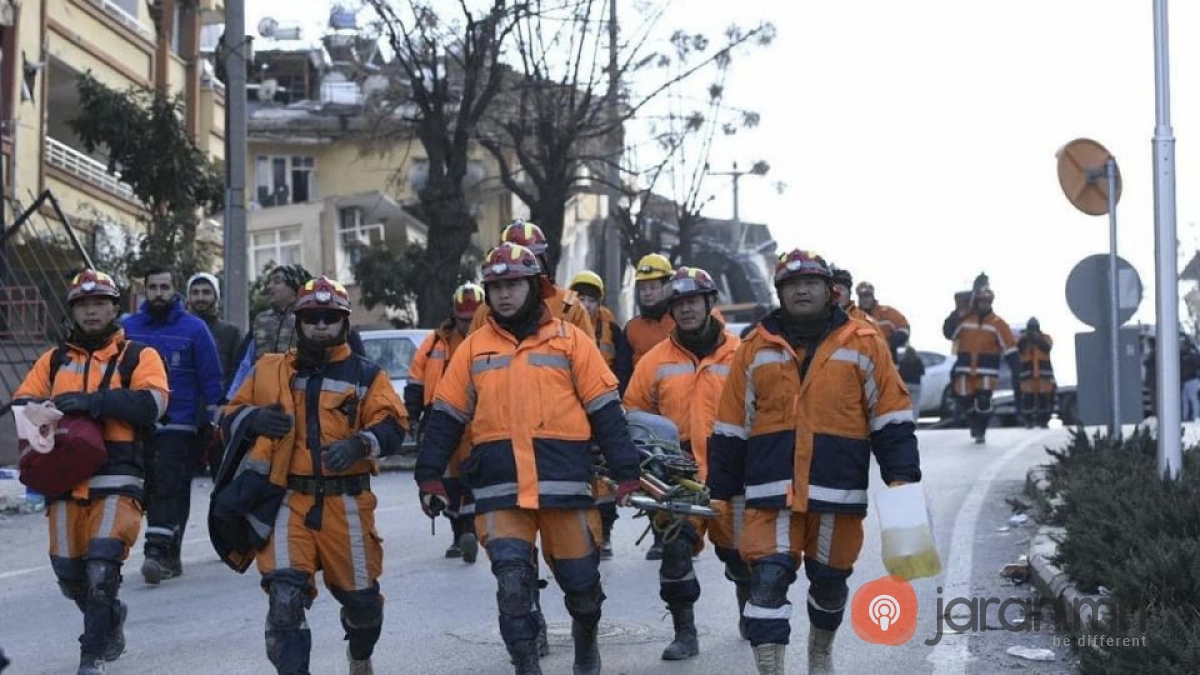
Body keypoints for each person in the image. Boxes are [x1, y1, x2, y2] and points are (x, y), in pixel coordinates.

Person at [415, 243, 641, 675]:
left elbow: (605, 410)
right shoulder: (474, 348)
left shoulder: (571, 340)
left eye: (513, 284)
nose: (503, 294)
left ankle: (585, 638)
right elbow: (445, 416)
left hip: (566, 486)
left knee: (582, 587)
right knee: (513, 587)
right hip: (500, 490)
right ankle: (525, 666)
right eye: (495, 286)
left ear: (535, 286)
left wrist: (626, 473)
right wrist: (429, 477)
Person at [707, 250, 921, 675]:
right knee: (766, 586)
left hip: (835, 492)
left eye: (811, 283)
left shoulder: (864, 342)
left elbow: (891, 418)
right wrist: (721, 495)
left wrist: (903, 481)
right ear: (780, 293)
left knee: (830, 584)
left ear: (830, 290)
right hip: (770, 495)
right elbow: (731, 427)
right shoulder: (754, 347)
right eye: (791, 284)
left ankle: (820, 655)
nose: (801, 289)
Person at [217, 276, 407, 675]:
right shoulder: (269, 370)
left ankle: (359, 654)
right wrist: (254, 419)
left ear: (344, 323)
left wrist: (360, 444)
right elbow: (228, 416)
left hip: (348, 506)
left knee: (364, 607)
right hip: (288, 501)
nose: (321, 324)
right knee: (284, 600)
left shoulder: (366, 375)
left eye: (330, 316)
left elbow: (394, 425)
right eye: (312, 317)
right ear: (299, 322)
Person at [13, 270, 169, 675]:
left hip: (119, 476)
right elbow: (23, 403)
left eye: (100, 303)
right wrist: (42, 409)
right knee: (70, 574)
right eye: (83, 305)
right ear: (73, 311)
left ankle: (91, 655)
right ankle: (110, 618)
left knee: (102, 567)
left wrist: (92, 402)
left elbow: (151, 406)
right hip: (64, 479)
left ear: (115, 308)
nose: (92, 310)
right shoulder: (54, 359)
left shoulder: (138, 356)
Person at [623, 266, 748, 661]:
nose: (687, 309)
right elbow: (634, 413)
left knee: (740, 554)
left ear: (710, 303)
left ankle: (749, 607)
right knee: (675, 555)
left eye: (694, 301)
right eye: (679, 303)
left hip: (734, 473)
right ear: (671, 310)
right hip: (676, 476)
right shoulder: (655, 360)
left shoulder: (743, 353)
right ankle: (685, 633)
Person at [122, 267, 224, 584]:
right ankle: (165, 551)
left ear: (174, 290)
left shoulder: (194, 329)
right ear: (144, 290)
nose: (159, 294)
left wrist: (214, 418)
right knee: (151, 488)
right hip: (138, 423)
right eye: (153, 287)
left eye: (164, 287)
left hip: (180, 423)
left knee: (171, 485)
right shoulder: (128, 328)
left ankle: (161, 553)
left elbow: (211, 376)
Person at [405, 282, 485, 563]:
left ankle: (470, 531)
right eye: (463, 319)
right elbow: (415, 378)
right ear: (454, 314)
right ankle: (458, 534)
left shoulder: (490, 340)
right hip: (442, 420)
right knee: (447, 482)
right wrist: (414, 415)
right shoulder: (435, 342)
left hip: (478, 422)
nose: (467, 324)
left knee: (473, 478)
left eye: (472, 318)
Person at [613, 252, 676, 560]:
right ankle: (661, 533)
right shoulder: (632, 329)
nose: (648, 292)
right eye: (643, 287)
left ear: (668, 286)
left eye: (654, 285)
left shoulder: (683, 318)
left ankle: (689, 528)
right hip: (646, 415)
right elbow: (622, 372)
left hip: (681, 409)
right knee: (653, 473)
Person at [568, 269, 628, 559]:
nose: (585, 305)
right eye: (580, 298)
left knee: (605, 478)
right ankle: (583, 535)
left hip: (602, 408)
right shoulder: (561, 327)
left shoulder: (612, 331)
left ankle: (604, 533)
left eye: (591, 299)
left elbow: (623, 369)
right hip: (572, 412)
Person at [469, 220, 593, 337]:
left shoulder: (571, 304)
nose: (521, 264)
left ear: (544, 260)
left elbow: (588, 356)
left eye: (529, 258)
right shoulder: (484, 311)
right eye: (514, 260)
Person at [942, 278, 1019, 443]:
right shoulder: (964, 319)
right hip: (964, 368)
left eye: (987, 302)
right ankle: (973, 422)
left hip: (987, 371)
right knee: (965, 400)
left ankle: (981, 429)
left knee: (984, 401)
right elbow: (949, 333)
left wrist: (1016, 367)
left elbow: (1010, 347)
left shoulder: (998, 324)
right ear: (976, 301)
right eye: (981, 301)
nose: (984, 304)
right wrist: (956, 312)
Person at [225, 264, 313, 398]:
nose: (269, 287)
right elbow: (244, 365)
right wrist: (229, 399)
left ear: (295, 289)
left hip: (299, 397)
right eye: (270, 282)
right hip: (262, 396)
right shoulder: (261, 321)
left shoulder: (310, 320)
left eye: (277, 282)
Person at [186, 272, 241, 392]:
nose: (200, 298)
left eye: (206, 292)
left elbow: (238, 375)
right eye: (195, 292)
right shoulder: (177, 331)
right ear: (188, 298)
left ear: (216, 296)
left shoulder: (231, 333)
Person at [1017, 318, 1056, 428]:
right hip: (1027, 375)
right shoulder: (1022, 339)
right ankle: (1028, 421)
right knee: (1027, 400)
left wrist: (1037, 339)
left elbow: (1047, 348)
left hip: (1043, 375)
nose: (1032, 331)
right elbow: (1019, 349)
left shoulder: (1045, 338)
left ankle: (1043, 421)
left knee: (1044, 399)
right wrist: (1027, 339)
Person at [855, 281, 910, 356]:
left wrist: (898, 337)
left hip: (888, 355)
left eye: (867, 296)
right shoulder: (853, 316)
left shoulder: (887, 312)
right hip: (863, 357)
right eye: (861, 297)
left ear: (872, 296)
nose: (864, 299)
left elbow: (904, 326)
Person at [896, 345, 926, 422]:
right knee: (915, 404)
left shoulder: (902, 361)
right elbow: (922, 372)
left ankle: (905, 419)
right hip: (916, 384)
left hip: (905, 385)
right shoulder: (918, 360)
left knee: (905, 404)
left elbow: (899, 373)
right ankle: (914, 420)